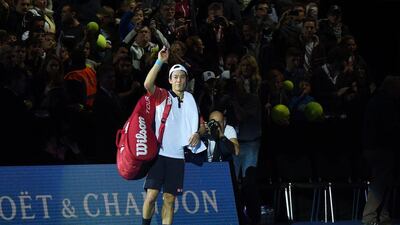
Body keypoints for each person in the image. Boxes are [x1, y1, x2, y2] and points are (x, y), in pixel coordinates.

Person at [141, 46, 206, 225]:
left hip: (178, 158)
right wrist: (160, 61)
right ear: (170, 80)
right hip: (159, 154)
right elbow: (147, 84)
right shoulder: (162, 95)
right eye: (175, 77)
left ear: (186, 80)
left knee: (170, 199)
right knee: (152, 196)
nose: (179, 80)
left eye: (182, 77)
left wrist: (198, 134)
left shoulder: (192, 101)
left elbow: (202, 126)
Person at [362, 76, 400, 225]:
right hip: (380, 148)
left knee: (383, 182)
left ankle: (383, 215)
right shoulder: (386, 103)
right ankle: (369, 217)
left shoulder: (377, 100)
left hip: (373, 147)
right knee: (379, 183)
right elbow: (389, 128)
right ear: (391, 88)